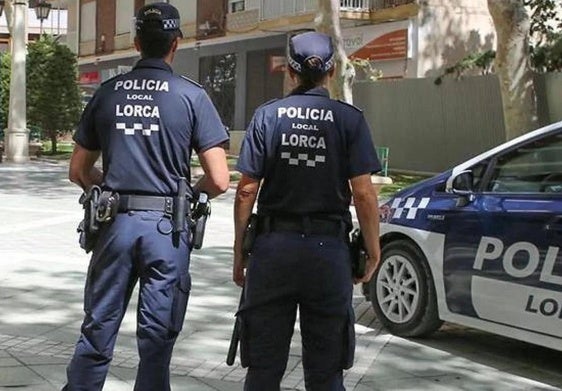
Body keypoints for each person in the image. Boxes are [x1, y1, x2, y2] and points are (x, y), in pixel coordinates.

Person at [63, 3, 229, 390]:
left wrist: (110, 186)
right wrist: (186, 192)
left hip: (114, 226)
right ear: (177, 43)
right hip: (166, 231)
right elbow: (220, 180)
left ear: (137, 42)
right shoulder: (191, 96)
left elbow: (78, 171)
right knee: (156, 341)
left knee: (97, 330)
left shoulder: (107, 93)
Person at [232, 31, 382, 391]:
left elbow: (247, 189)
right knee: (327, 371)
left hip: (272, 250)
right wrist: (373, 250)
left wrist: (240, 251)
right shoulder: (349, 119)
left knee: (263, 369)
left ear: (290, 72)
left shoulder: (268, 116)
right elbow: (363, 194)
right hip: (328, 253)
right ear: (331, 72)